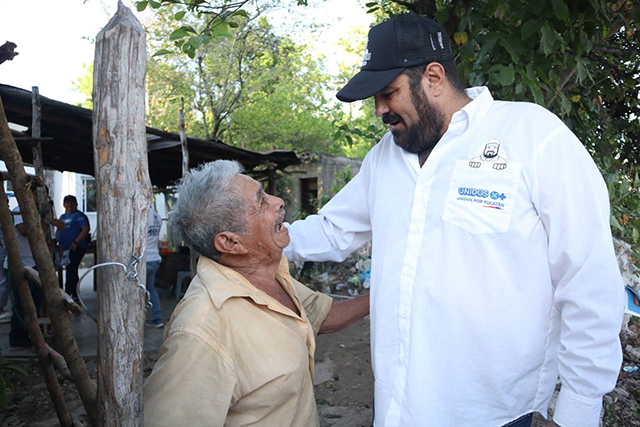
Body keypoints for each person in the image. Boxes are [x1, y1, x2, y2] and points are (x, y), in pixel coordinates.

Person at [283, 14, 625, 427]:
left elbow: (589, 281)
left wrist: (579, 410)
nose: (379, 110)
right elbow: (332, 230)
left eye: (388, 93)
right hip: (395, 406)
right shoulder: (384, 158)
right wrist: (257, 237)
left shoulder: (532, 136)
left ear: (433, 76)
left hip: (496, 415)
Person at [143, 160, 369, 427]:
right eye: (261, 201)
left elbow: (319, 315)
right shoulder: (201, 333)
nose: (278, 201)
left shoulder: (266, 275)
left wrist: (385, 292)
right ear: (230, 242)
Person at [6, 184, 45, 348]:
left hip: (32, 263)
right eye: (36, 196)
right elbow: (23, 230)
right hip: (19, 264)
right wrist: (38, 224)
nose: (38, 201)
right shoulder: (20, 209)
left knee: (35, 302)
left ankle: (29, 334)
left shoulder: (34, 212)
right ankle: (17, 338)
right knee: (21, 304)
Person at [56, 195, 90, 301]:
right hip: (63, 249)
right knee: (66, 270)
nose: (69, 205)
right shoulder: (62, 217)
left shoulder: (79, 216)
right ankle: (67, 292)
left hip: (75, 248)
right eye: (67, 202)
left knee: (72, 269)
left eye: (72, 202)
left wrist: (76, 241)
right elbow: (58, 231)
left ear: (76, 204)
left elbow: (86, 229)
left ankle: (74, 294)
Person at [145, 206, 163, 328]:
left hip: (143, 259)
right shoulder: (157, 216)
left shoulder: (142, 215)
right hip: (154, 258)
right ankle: (157, 318)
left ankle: (135, 320)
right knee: (150, 288)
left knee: (136, 291)